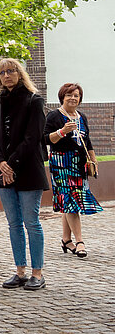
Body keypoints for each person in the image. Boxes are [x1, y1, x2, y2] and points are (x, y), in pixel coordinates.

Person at [0, 57, 48, 291]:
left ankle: (37, 273)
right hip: (3, 171)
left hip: (28, 170)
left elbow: (33, 138)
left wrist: (11, 164)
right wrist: (1, 162)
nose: (6, 76)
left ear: (20, 74)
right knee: (13, 223)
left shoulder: (34, 100)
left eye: (11, 71)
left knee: (31, 222)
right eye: (1, 73)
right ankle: (20, 271)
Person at [45, 82, 103, 258]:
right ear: (62, 96)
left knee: (70, 202)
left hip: (79, 164)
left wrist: (93, 160)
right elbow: (46, 139)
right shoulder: (54, 116)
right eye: (69, 95)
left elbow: (88, 141)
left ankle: (65, 239)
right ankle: (80, 242)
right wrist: (62, 131)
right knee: (71, 202)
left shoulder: (81, 117)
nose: (73, 98)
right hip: (61, 163)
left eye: (76, 95)